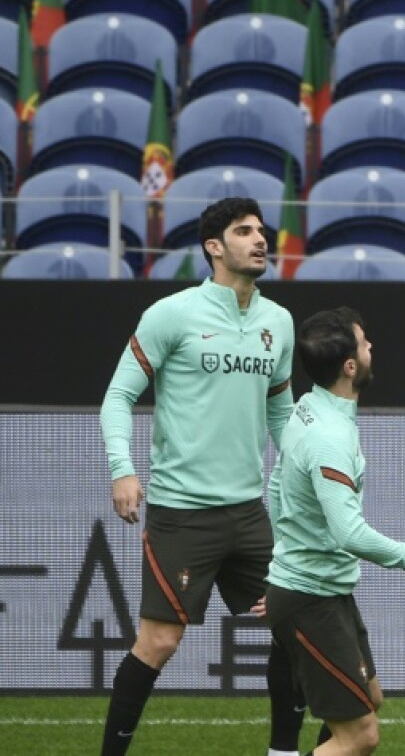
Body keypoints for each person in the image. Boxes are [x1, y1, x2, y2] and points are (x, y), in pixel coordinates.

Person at [99, 197, 305, 755]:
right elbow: (118, 397)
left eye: (262, 231)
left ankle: (282, 752)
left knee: (297, 624)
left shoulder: (278, 322)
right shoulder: (172, 314)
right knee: (160, 641)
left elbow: (281, 413)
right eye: (245, 232)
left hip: (250, 514)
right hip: (182, 516)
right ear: (215, 247)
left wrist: (307, 470)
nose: (260, 240)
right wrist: (123, 468)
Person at [264, 307, 405, 756]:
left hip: (322, 592)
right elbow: (348, 533)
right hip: (310, 600)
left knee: (370, 700)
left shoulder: (307, 408)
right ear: (349, 366)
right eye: (364, 343)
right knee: (361, 736)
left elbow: (276, 488)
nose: (371, 348)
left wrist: (288, 557)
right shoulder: (329, 437)